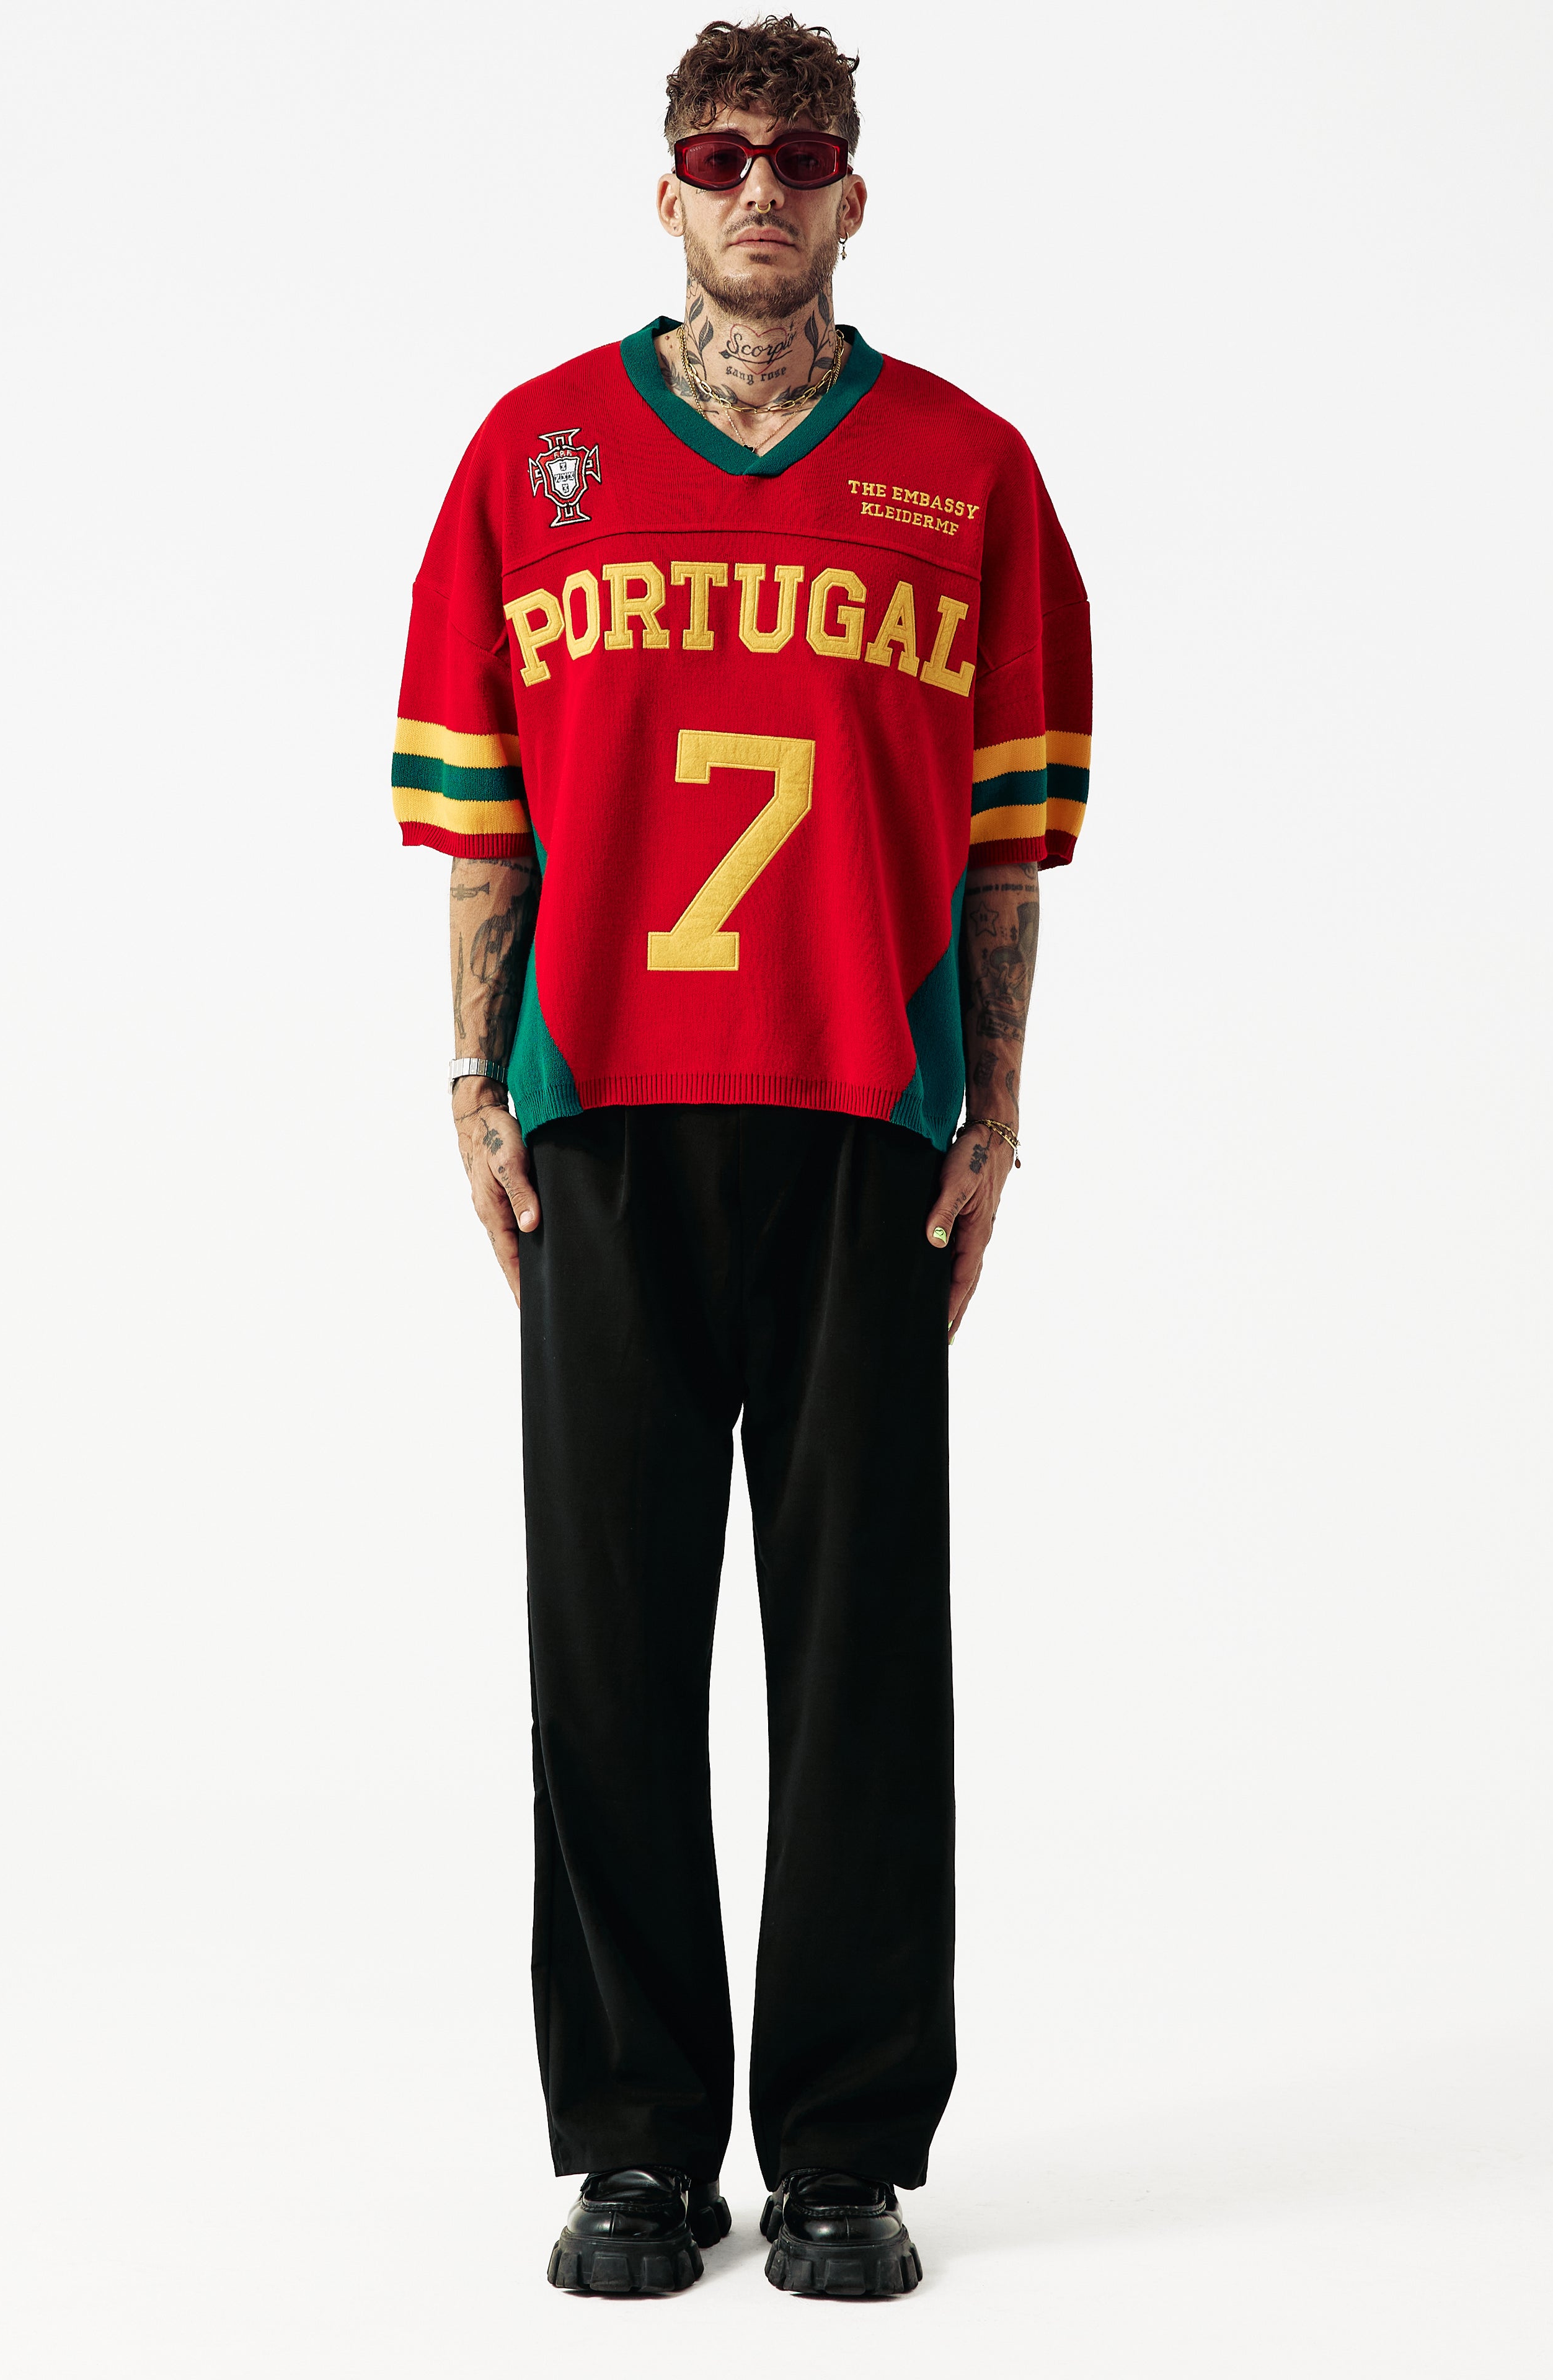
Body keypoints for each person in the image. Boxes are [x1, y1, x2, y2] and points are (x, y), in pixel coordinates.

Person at [388, 14, 1091, 2299]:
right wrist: (470, 1084)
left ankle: (846, 2151)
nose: (761, 187)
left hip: (864, 1124)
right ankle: (631, 2147)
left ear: (855, 193)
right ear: (668, 189)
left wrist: (998, 1113)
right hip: (600, 1124)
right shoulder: (540, 457)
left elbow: (1004, 845)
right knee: (605, 1651)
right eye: (720, 154)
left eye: (800, 155)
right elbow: (484, 821)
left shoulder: (969, 473)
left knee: (862, 1650)